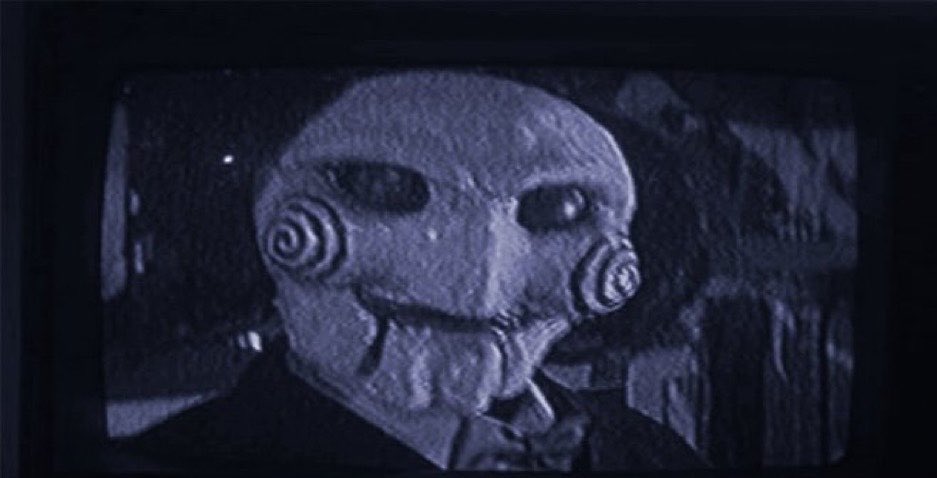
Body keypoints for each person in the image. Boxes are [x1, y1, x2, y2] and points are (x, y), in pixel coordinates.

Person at [118, 71, 707, 472]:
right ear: (262, 210)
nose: (481, 272)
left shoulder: (650, 454)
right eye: (379, 184)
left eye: (559, 205)